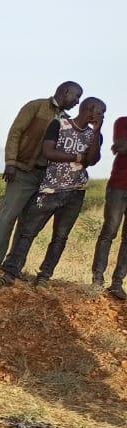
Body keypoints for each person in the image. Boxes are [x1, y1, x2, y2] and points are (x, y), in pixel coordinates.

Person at [0, 98, 106, 288]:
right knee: (28, 232)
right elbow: (48, 152)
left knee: (60, 237)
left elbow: (92, 161)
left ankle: (44, 276)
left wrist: (97, 131)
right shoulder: (59, 124)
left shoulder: (95, 135)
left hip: (75, 192)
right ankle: (11, 272)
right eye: (100, 111)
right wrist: (77, 157)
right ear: (89, 109)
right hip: (50, 188)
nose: (102, 116)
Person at [0, 82, 83, 273]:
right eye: (76, 96)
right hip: (23, 170)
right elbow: (15, 132)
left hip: (46, 178)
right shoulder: (36, 106)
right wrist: (10, 162)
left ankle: (13, 266)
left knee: (27, 223)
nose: (77, 101)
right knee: (8, 216)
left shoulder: (67, 120)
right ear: (65, 91)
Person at [91, 113, 127, 298]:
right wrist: (120, 146)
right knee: (109, 232)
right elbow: (121, 146)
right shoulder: (123, 122)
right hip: (119, 187)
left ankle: (117, 283)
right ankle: (97, 278)